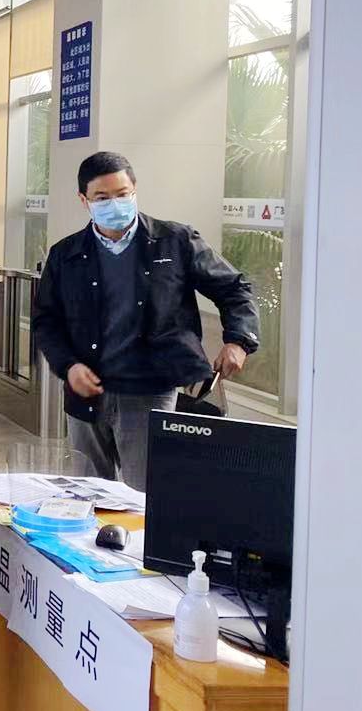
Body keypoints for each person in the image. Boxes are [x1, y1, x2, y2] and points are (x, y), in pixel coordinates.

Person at [31, 151, 260, 490]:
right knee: (88, 495)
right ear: (84, 200)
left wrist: (238, 340)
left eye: (122, 194)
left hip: (150, 389)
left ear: (135, 189)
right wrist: (68, 366)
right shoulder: (66, 254)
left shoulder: (176, 241)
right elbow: (46, 320)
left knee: (146, 494)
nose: (114, 204)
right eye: (102, 198)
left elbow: (234, 288)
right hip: (86, 394)